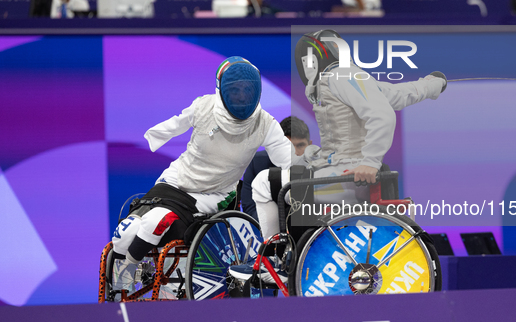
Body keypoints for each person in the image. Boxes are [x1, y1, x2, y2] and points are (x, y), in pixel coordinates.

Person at [229, 29, 447, 283]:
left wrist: (370, 161)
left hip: (345, 178)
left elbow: (383, 115)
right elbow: (399, 95)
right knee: (277, 167)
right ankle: (285, 253)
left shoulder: (340, 76)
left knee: (263, 183)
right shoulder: (353, 77)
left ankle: (273, 263)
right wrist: (434, 84)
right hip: (336, 169)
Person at [111, 57, 302, 292]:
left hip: (214, 194)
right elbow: (175, 123)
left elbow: (290, 161)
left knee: (154, 221)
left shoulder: (265, 124)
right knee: (128, 230)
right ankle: (122, 271)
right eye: (235, 89)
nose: (242, 96)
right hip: (175, 180)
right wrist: (152, 137)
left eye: (247, 90)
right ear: (222, 89)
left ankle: (128, 271)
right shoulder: (203, 107)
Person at [241, 116, 312, 221]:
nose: (295, 152)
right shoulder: (257, 163)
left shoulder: (319, 165)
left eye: (300, 145)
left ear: (310, 145)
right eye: (290, 146)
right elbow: (250, 211)